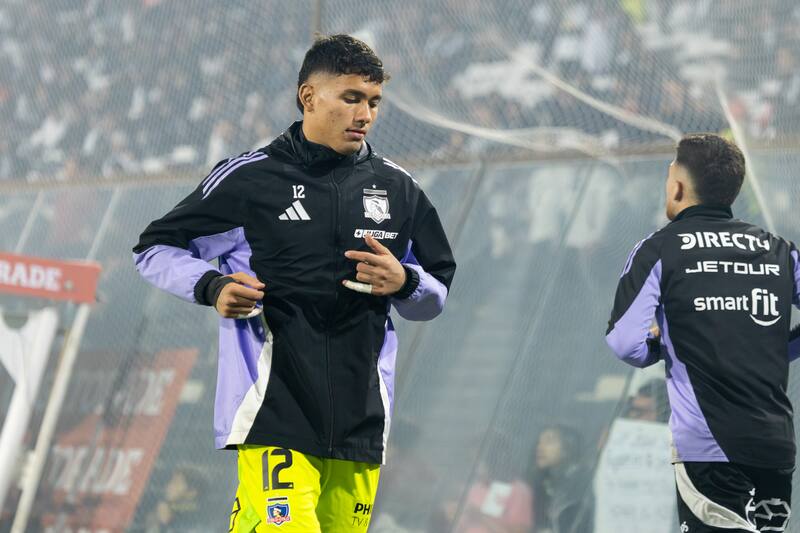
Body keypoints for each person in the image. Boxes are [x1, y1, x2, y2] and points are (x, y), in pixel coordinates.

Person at [132, 34, 456, 532]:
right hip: (274, 408)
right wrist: (212, 287)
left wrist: (405, 280)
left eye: (373, 102)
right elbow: (154, 248)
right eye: (350, 98)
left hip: (359, 416)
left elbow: (434, 295)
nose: (365, 113)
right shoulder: (251, 178)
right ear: (309, 97)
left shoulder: (398, 189)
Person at [606, 133, 800, 532]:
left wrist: (664, 348)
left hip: (709, 446)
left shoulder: (660, 248)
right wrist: (778, 348)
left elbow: (626, 343)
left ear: (676, 185)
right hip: (775, 444)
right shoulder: (780, 250)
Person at [529, 425, 593, 533]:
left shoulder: (583, 485)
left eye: (549, 441)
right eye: (539, 442)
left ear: (567, 448)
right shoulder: (541, 483)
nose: (540, 447)